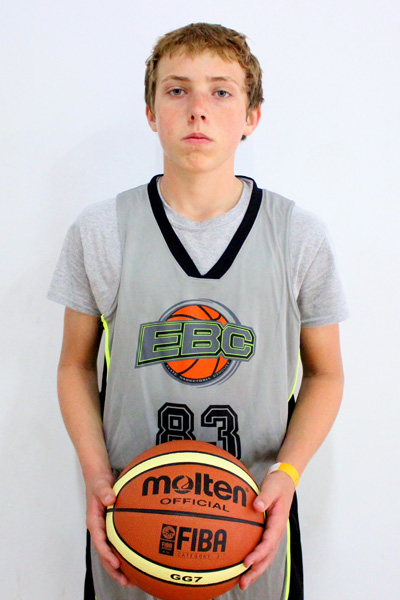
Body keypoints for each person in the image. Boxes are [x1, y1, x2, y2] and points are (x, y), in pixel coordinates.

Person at [48, 22, 348, 600]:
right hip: (131, 514)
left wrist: (287, 475)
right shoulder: (103, 229)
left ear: (252, 116)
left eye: (221, 91)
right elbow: (75, 365)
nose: (198, 109)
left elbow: (326, 374)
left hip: (252, 519)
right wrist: (95, 473)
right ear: (151, 111)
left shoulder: (298, 235)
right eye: (177, 89)